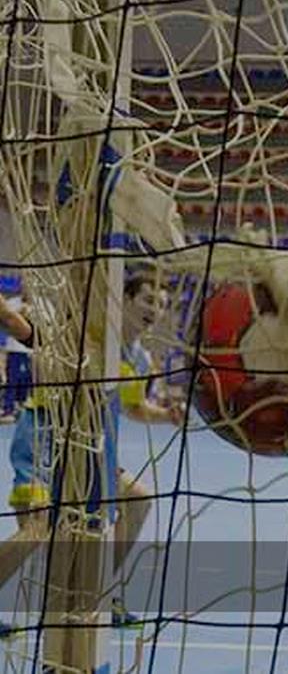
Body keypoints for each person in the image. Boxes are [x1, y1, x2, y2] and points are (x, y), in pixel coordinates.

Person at [0, 273, 183, 637]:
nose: (154, 309)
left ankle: (98, 595)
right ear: (124, 299)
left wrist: (167, 415)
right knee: (37, 528)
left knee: (138, 499)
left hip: (91, 448)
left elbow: (134, 407)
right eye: (147, 299)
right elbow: (22, 329)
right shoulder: (89, 334)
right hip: (46, 436)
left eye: (161, 304)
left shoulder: (138, 358)